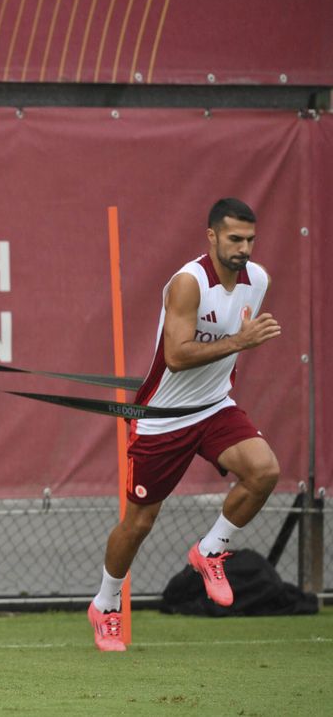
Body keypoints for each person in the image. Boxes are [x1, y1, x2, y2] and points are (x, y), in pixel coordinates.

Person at [88, 197, 281, 652]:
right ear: (212, 236)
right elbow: (175, 357)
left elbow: (230, 346)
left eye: (250, 239)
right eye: (235, 238)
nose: (244, 248)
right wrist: (239, 341)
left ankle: (210, 551)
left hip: (215, 407)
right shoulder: (188, 283)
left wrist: (238, 343)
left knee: (264, 471)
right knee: (139, 523)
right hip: (162, 418)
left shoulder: (259, 280)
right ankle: (106, 603)